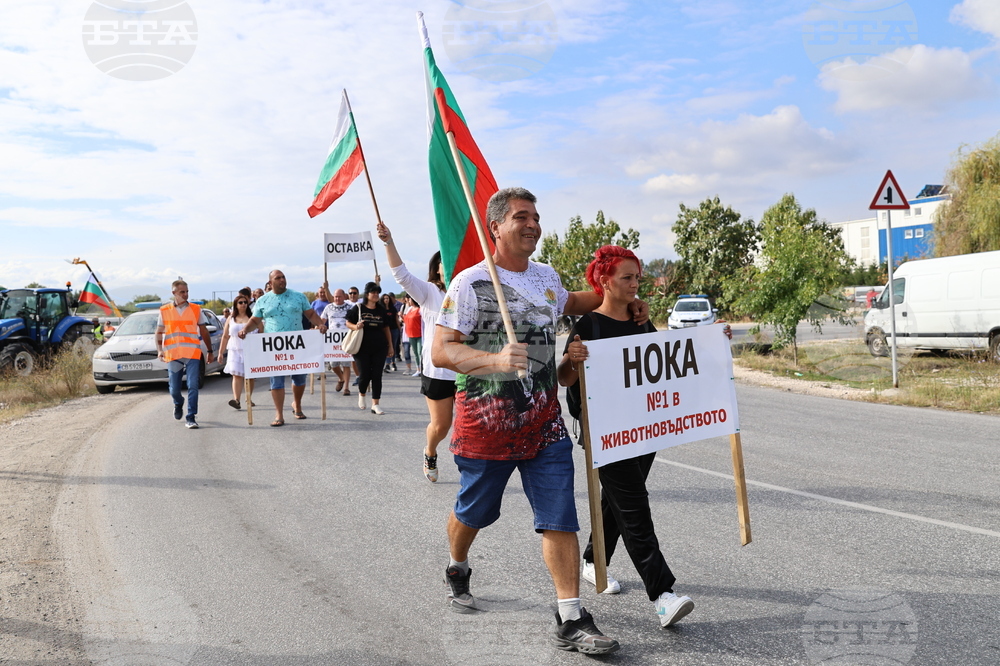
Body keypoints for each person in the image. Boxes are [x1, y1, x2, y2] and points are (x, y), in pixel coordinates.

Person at [432, 187, 647, 654]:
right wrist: (493, 360)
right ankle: (457, 563)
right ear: (495, 227)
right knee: (474, 512)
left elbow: (573, 302)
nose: (533, 224)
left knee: (559, 517)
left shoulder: (546, 277)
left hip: (544, 423)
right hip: (486, 426)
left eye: (536, 216)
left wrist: (621, 300)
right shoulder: (469, 283)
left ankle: (570, 616)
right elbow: (441, 350)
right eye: (521, 217)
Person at [557, 245, 730, 629]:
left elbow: (665, 362)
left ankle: (591, 560)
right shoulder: (589, 325)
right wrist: (573, 358)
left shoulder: (640, 321)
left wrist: (714, 342)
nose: (636, 285)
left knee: (618, 501)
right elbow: (564, 378)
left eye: (638, 277)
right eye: (627, 277)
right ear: (605, 281)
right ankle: (663, 595)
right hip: (605, 431)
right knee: (635, 506)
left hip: (643, 427)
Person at [378, 221, 455, 483]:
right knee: (441, 426)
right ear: (436, 269)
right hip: (439, 372)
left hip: (470, 370)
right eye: (446, 261)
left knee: (471, 429)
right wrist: (389, 241)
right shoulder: (430, 292)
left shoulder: (474, 291)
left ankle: (473, 471)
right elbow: (401, 274)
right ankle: (430, 451)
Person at [238, 270, 327, 427]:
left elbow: (310, 314)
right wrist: (245, 330)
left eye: (283, 277)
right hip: (274, 347)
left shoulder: (298, 296)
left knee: (299, 378)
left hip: (296, 344)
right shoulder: (263, 300)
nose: (282, 280)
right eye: (277, 278)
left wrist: (320, 323)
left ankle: (297, 404)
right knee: (276, 381)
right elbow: (255, 319)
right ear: (270, 283)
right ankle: (279, 414)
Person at [155, 279, 214, 429]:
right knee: (174, 389)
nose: (186, 294)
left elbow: (204, 330)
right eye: (182, 292)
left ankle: (191, 417)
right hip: (173, 355)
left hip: (192, 353)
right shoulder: (164, 310)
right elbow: (159, 332)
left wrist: (210, 351)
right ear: (174, 293)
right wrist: (160, 350)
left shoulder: (196, 309)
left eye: (187, 291)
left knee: (193, 385)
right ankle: (178, 403)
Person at [345, 281, 393, 415]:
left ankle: (375, 404)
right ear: (367, 294)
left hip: (380, 347)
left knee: (377, 375)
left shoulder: (381, 310)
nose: (376, 295)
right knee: (364, 374)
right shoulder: (359, 308)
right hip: (362, 347)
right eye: (373, 292)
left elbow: (386, 328)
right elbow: (348, 322)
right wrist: (356, 327)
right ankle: (362, 395)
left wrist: (390, 346)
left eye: (378, 292)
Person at [217, 294, 256, 410]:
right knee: (237, 375)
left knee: (250, 376)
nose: (243, 304)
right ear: (236, 305)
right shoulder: (231, 319)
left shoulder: (253, 318)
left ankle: (248, 397)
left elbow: (261, 333)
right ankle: (237, 400)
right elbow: (225, 336)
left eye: (245, 302)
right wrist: (220, 352)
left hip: (250, 349)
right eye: (240, 302)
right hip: (234, 349)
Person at [321, 288, 353, 396]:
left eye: (339, 296)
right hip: (332, 341)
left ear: (344, 297)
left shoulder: (350, 308)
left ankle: (347, 388)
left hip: (346, 339)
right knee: (333, 364)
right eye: (335, 297)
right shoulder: (328, 307)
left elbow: (355, 321)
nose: (337, 298)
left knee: (346, 364)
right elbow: (322, 321)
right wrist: (317, 328)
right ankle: (341, 378)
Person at [401, 295, 420, 375]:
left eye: (409, 299)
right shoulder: (409, 309)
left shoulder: (420, 309)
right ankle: (418, 369)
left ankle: (423, 369)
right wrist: (401, 316)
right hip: (410, 334)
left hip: (419, 334)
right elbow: (405, 320)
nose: (408, 301)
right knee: (415, 353)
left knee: (420, 352)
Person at [381, 292, 401, 372]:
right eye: (385, 298)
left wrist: (400, 329)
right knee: (387, 346)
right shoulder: (381, 309)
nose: (386, 300)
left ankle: (393, 362)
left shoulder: (393, 308)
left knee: (393, 346)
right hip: (385, 330)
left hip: (394, 329)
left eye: (387, 298)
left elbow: (396, 319)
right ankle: (387, 364)